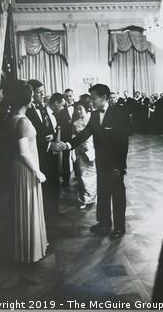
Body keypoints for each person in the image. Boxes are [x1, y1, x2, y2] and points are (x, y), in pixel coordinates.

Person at [56, 84, 130, 239]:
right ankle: (104, 223)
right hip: (101, 163)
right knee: (102, 193)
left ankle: (119, 227)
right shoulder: (95, 115)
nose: (91, 101)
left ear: (104, 97)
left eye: (94, 98)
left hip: (115, 165)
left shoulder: (118, 114)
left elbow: (123, 144)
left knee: (117, 196)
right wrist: (68, 145)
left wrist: (119, 167)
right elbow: (85, 133)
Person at [7, 80, 48, 264]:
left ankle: (28, 249)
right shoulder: (22, 121)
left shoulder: (14, 117)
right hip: (26, 168)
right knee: (28, 205)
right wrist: (37, 172)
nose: (34, 97)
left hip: (22, 167)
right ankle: (30, 251)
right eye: (32, 94)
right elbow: (23, 152)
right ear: (27, 97)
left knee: (26, 205)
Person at [26, 80, 63, 220]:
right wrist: (48, 144)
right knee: (46, 185)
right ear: (31, 93)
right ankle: (47, 214)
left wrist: (52, 137)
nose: (42, 94)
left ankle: (55, 211)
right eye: (39, 92)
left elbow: (45, 128)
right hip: (39, 154)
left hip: (49, 152)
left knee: (54, 181)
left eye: (43, 91)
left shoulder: (41, 108)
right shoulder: (28, 111)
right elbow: (31, 136)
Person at [72, 102, 97, 209]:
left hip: (90, 149)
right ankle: (84, 199)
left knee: (92, 175)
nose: (78, 111)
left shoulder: (90, 121)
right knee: (82, 176)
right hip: (80, 150)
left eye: (80, 109)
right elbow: (73, 137)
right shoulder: (75, 123)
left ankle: (92, 197)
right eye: (77, 109)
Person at [58, 88, 75, 186]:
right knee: (65, 157)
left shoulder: (78, 106)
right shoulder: (61, 108)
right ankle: (66, 179)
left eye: (70, 96)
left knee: (78, 156)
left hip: (77, 135)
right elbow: (59, 121)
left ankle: (78, 176)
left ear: (73, 96)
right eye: (66, 96)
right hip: (66, 135)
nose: (69, 98)